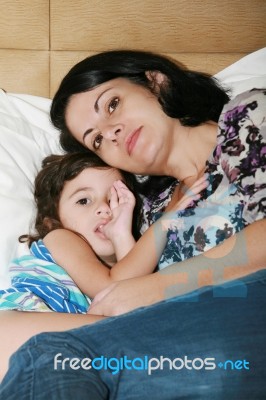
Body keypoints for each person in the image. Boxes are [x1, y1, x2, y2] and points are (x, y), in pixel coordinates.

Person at [0, 50, 265, 398]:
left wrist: (154, 289)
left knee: (43, 354)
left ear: (156, 82)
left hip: (236, 324)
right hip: (164, 356)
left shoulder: (247, 116)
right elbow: (120, 281)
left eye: (111, 105)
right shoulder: (150, 212)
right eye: (95, 139)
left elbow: (130, 294)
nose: (110, 133)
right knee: (40, 356)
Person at [0, 152, 206, 313]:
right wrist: (164, 223)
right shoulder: (60, 237)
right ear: (52, 221)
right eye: (84, 201)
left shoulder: (125, 265)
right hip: (24, 319)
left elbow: (131, 294)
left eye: (114, 199)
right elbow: (111, 287)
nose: (104, 208)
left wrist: (121, 234)